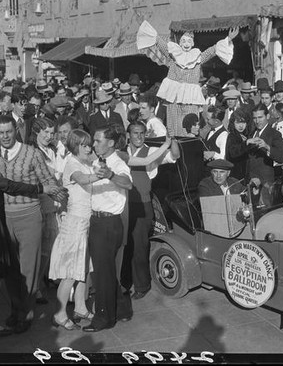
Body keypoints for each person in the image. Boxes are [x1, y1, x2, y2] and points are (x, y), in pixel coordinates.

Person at [0, 115, 67, 333]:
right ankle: (16, 309)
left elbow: (48, 180)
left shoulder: (31, 153)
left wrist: (60, 196)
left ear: (16, 129)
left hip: (29, 215)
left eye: (8, 132)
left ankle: (26, 312)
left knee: (28, 268)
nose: (5, 137)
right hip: (3, 217)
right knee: (10, 268)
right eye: (0, 133)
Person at [137, 20, 239, 136]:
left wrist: (229, 39)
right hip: (174, 97)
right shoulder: (173, 55)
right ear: (180, 43)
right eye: (184, 41)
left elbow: (212, 50)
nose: (186, 43)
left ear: (193, 43)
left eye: (189, 41)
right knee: (173, 127)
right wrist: (150, 33)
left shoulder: (198, 58)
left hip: (190, 99)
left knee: (190, 127)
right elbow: (161, 44)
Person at [120, 121, 180, 301]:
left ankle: (142, 285)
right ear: (128, 134)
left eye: (142, 133)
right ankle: (124, 282)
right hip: (122, 206)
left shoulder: (151, 152)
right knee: (125, 246)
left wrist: (172, 139)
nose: (139, 137)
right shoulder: (122, 152)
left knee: (139, 247)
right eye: (135, 133)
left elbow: (175, 155)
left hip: (142, 206)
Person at [82, 125, 133, 332]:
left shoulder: (116, 163)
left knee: (101, 273)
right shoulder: (97, 161)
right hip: (99, 222)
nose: (94, 144)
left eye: (97, 140)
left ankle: (104, 318)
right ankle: (121, 310)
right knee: (107, 270)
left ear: (110, 143)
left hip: (107, 223)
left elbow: (128, 183)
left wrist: (110, 175)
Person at [48, 129, 99, 330]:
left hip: (86, 222)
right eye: (84, 145)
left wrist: (94, 156)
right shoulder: (71, 163)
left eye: (89, 144)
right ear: (75, 146)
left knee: (84, 269)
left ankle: (80, 307)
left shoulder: (85, 161)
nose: (89, 148)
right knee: (70, 272)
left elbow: (94, 160)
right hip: (75, 223)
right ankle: (59, 314)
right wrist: (105, 172)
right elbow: (84, 180)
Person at [28, 117, 61, 304]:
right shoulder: (33, 152)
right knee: (42, 249)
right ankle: (37, 286)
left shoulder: (53, 149)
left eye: (51, 132)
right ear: (36, 132)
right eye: (45, 132)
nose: (49, 136)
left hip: (55, 203)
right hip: (42, 204)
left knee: (51, 246)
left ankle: (46, 279)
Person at [246, 103, 283, 207]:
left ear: (267, 116)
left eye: (260, 117)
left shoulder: (274, 134)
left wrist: (267, 147)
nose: (257, 121)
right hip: (250, 181)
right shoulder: (251, 133)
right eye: (254, 118)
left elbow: (281, 157)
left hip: (265, 184)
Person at [225, 108, 253, 181]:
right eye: (238, 122)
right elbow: (233, 152)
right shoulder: (232, 136)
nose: (241, 126)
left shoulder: (245, 135)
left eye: (243, 122)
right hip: (235, 176)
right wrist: (246, 143)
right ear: (233, 123)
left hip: (244, 175)